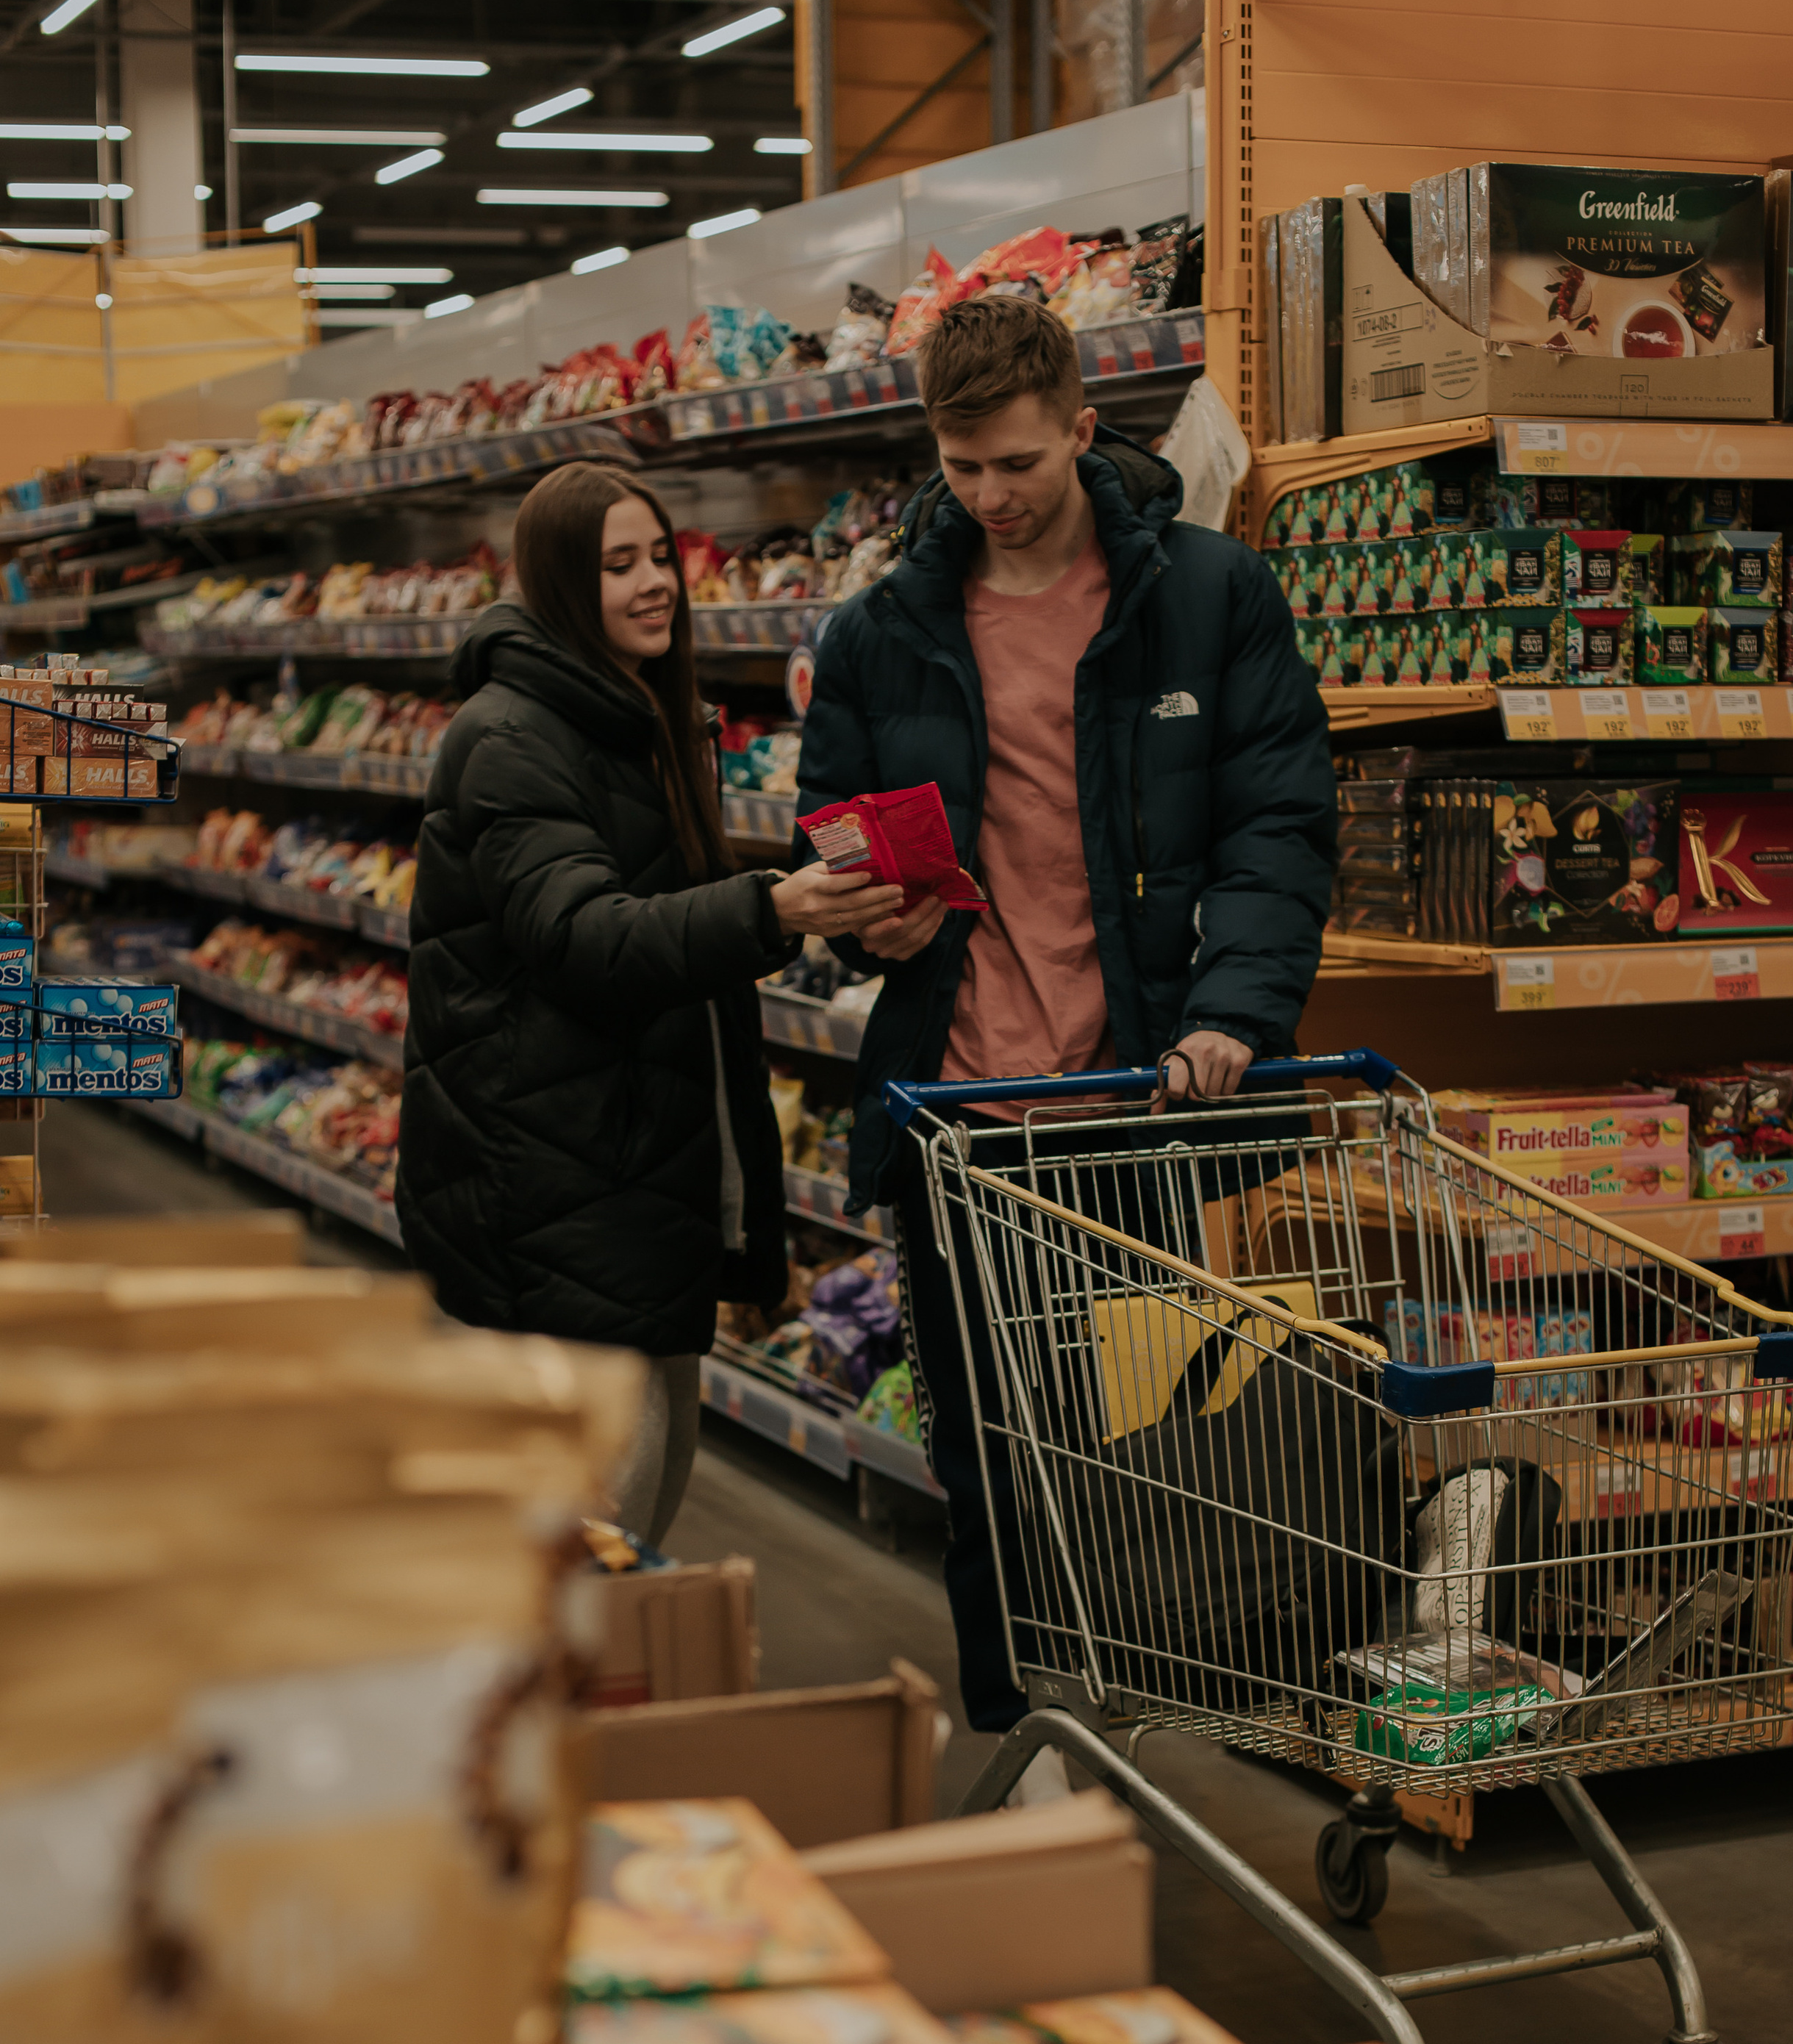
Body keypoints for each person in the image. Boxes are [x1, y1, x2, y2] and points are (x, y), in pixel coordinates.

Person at [795, 296, 1337, 1727]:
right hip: (953, 1114)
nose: (990, 497)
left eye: (1018, 464)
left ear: (1082, 428)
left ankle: (1127, 1711)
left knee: (1135, 1446)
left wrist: (1233, 1010)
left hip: (1127, 1118)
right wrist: (870, 912)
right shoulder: (877, 633)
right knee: (981, 1455)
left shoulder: (1206, 596)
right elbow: (830, 828)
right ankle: (1021, 1734)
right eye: (961, 467)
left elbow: (1276, 827)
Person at [398, 461, 900, 1543]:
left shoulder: (634, 717)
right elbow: (585, 938)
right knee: (590, 1549)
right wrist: (774, 909)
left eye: (659, 556)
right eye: (615, 565)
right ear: (561, 587)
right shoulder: (510, 737)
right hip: (552, 1193)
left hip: (625, 1180)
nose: (653, 583)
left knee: (644, 1507)